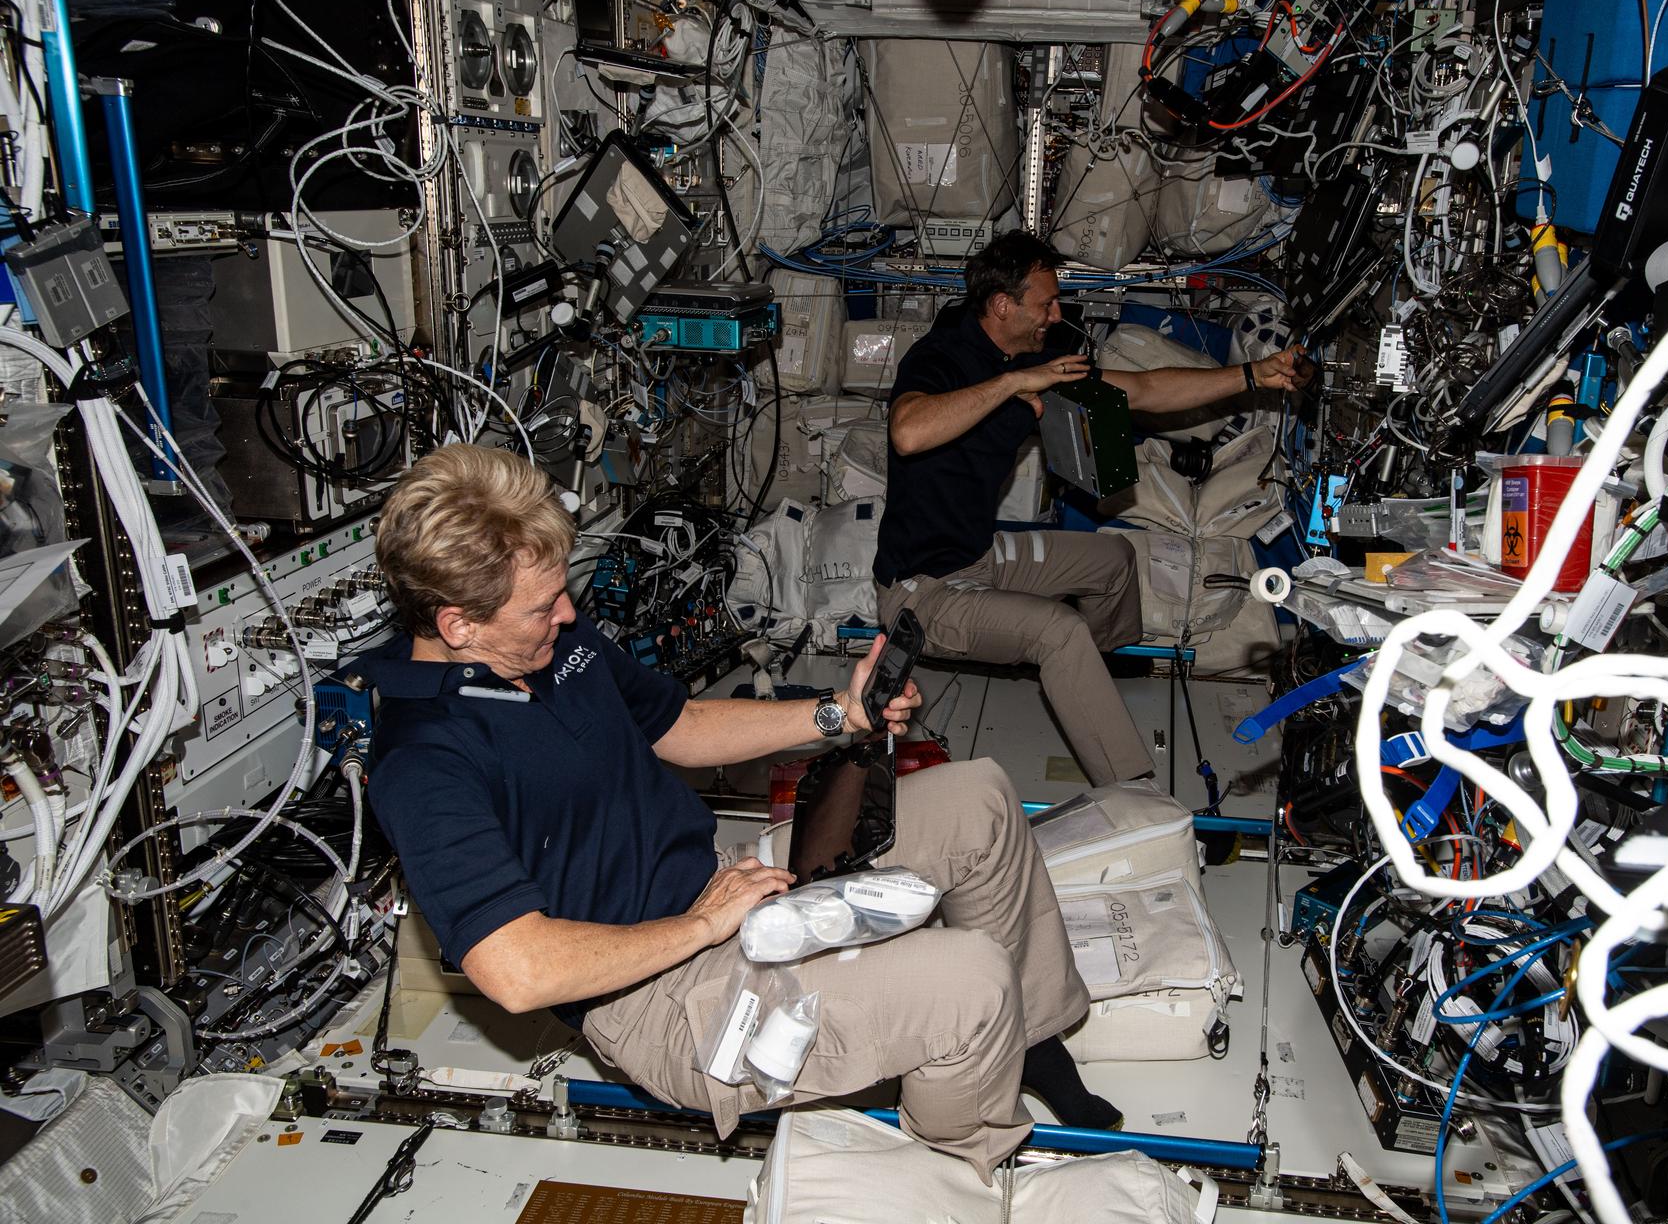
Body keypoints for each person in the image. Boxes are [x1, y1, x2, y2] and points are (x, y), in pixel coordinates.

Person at [353, 444, 1114, 1184]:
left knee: (979, 795)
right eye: (540, 605)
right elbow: (515, 971)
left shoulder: (555, 642)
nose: (566, 611)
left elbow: (680, 726)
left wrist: (840, 714)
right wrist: (702, 927)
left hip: (725, 885)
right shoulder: (423, 762)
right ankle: (965, 1174)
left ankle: (1033, 1035)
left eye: (560, 590)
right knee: (971, 981)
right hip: (660, 998)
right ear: (459, 626)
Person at [873, 231, 1314, 787]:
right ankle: (1136, 800)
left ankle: (1090, 670)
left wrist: (1254, 375)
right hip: (922, 589)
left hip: (978, 554)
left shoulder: (1036, 352)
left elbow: (1145, 389)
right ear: (1002, 305)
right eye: (1044, 304)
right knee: (1058, 631)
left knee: (1112, 559)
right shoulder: (941, 357)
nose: (1055, 315)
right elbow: (909, 432)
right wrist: (1013, 384)